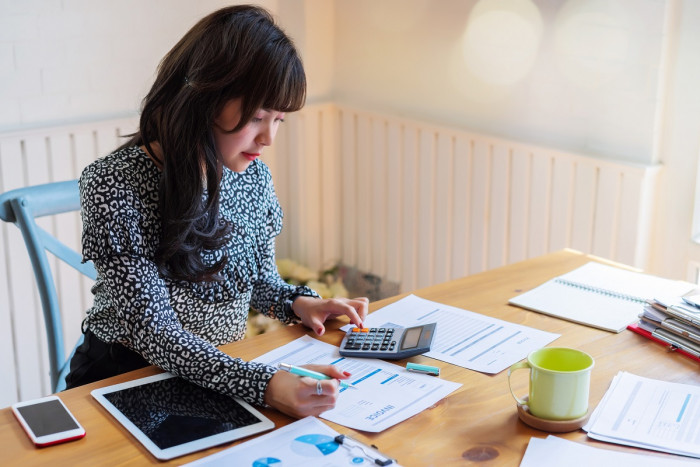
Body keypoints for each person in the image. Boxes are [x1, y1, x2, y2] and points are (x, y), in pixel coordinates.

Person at [65, 4, 368, 419]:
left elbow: (256, 280)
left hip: (217, 375)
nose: (268, 138)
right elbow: (156, 335)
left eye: (279, 119)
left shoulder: (252, 176)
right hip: (124, 380)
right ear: (203, 97)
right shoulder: (115, 183)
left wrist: (299, 303)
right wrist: (265, 383)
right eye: (258, 116)